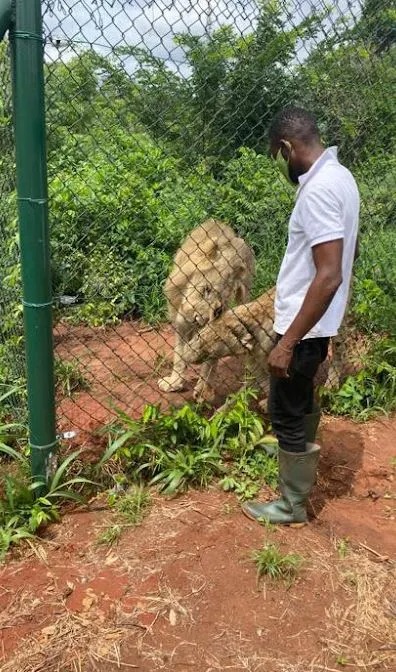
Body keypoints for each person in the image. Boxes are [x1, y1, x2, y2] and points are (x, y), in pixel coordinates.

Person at [242, 106, 359, 526]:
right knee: (300, 392)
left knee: (284, 406)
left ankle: (291, 504)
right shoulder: (341, 177)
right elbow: (348, 255)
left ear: (288, 147)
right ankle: (297, 449)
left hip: (303, 325)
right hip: (318, 320)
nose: (279, 163)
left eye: (277, 153)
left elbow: (328, 274)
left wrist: (288, 341)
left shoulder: (317, 191)